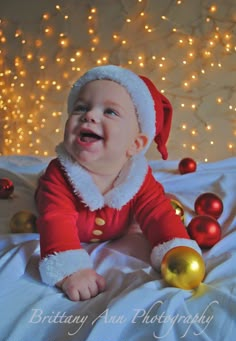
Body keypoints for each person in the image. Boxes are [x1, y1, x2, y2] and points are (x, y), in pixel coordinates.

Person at [36, 65, 201, 301]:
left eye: (110, 112)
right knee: (44, 201)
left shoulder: (139, 177)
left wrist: (174, 246)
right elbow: (55, 219)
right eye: (80, 108)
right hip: (55, 207)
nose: (89, 115)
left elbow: (159, 213)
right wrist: (71, 270)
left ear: (135, 144)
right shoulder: (59, 174)